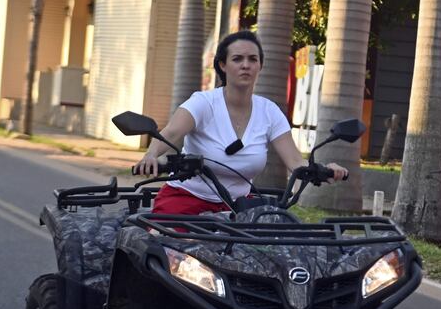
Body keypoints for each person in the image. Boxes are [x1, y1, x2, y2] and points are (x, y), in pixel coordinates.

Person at [135, 30, 347, 214]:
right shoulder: (203, 103)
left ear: (260, 65)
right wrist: (151, 155)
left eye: (252, 59)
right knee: (166, 244)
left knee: (277, 242)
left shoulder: (270, 112)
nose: (246, 65)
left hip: (239, 208)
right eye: (237, 59)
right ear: (223, 65)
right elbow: (171, 133)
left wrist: (324, 170)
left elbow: (296, 163)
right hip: (186, 199)